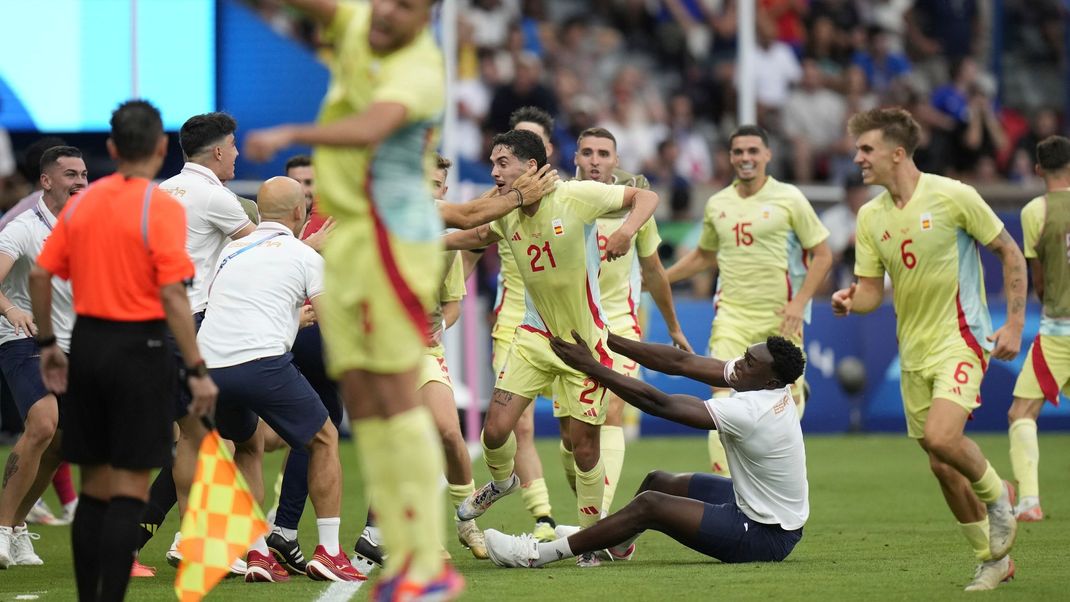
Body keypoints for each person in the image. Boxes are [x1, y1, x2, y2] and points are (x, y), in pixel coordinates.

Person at [241, 0, 462, 596]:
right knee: (361, 404)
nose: (389, 13)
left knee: (391, 402)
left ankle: (422, 562)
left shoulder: (419, 68)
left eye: (409, 6)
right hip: (349, 250)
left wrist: (294, 133)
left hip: (388, 243)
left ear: (429, 16)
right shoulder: (367, 22)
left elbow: (370, 127)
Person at [31, 99, 217, 601]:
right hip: (142, 349)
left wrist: (48, 343)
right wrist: (196, 369)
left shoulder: (84, 203)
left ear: (111, 148)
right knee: (130, 490)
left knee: (94, 490)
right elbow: (174, 294)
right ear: (161, 148)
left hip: (87, 346)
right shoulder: (159, 206)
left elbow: (40, 275)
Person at [444, 129, 658, 566]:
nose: (494, 172)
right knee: (496, 430)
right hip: (534, 338)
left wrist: (626, 233)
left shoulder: (575, 196)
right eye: (493, 163)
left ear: (528, 166)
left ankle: (592, 539)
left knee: (583, 448)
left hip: (584, 346)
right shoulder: (506, 211)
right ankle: (503, 484)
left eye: (502, 163)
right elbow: (467, 236)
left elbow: (645, 199)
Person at [832, 107, 1024, 591]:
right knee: (940, 464)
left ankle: (999, 495)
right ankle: (991, 559)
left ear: (897, 153)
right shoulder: (870, 216)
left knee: (942, 438)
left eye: (866, 149)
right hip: (912, 349)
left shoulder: (954, 196)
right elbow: (873, 291)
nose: (857, 158)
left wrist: (1015, 322)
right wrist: (851, 300)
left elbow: (1009, 251)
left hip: (961, 338)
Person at [483, 332, 807, 569]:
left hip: (764, 534)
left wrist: (593, 367)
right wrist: (608, 341)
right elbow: (681, 361)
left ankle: (539, 554)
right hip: (756, 506)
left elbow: (659, 404)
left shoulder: (755, 410)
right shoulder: (761, 381)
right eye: (744, 357)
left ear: (769, 382)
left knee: (650, 505)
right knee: (658, 481)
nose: (738, 366)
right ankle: (615, 546)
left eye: (749, 364)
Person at [197, 176, 360, 583]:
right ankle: (330, 551)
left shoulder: (231, 250)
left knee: (248, 444)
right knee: (324, 436)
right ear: (299, 212)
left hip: (209, 365)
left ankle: (256, 554)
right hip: (261, 362)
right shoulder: (305, 256)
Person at [666, 125, 831, 477]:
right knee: (721, 400)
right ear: (730, 157)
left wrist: (800, 303)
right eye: (739, 151)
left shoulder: (790, 199)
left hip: (780, 318)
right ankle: (728, 486)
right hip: (732, 315)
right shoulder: (717, 203)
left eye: (753, 151)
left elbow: (822, 254)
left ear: (767, 155)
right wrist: (660, 279)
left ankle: (798, 393)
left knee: (785, 411)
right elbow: (704, 256)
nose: (746, 158)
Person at [146, 111, 256, 571]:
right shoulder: (216, 197)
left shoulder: (158, 192)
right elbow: (262, 254)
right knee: (211, 436)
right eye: (232, 146)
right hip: (191, 324)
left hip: (146, 324)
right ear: (216, 151)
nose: (236, 153)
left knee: (191, 435)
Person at [562, 126, 691, 514]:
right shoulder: (560, 200)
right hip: (569, 330)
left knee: (612, 411)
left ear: (616, 160)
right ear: (576, 159)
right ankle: (594, 513)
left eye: (604, 153)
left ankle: (600, 523)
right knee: (573, 439)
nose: (595, 160)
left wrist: (673, 327)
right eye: (587, 153)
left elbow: (654, 272)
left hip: (619, 327)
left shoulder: (637, 208)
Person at [0, 146, 85, 568]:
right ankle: (0, 529)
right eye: (70, 174)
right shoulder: (22, 228)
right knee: (43, 421)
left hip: (72, 345)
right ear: (46, 181)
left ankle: (16, 528)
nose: (80, 181)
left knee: (61, 443)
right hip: (22, 338)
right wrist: (12, 309)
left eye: (84, 173)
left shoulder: (88, 227)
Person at [1005, 135, 1070, 522]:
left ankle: (1028, 502)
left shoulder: (1035, 211)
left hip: (1059, 330)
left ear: (1038, 169)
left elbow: (1039, 279)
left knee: (1021, 412)